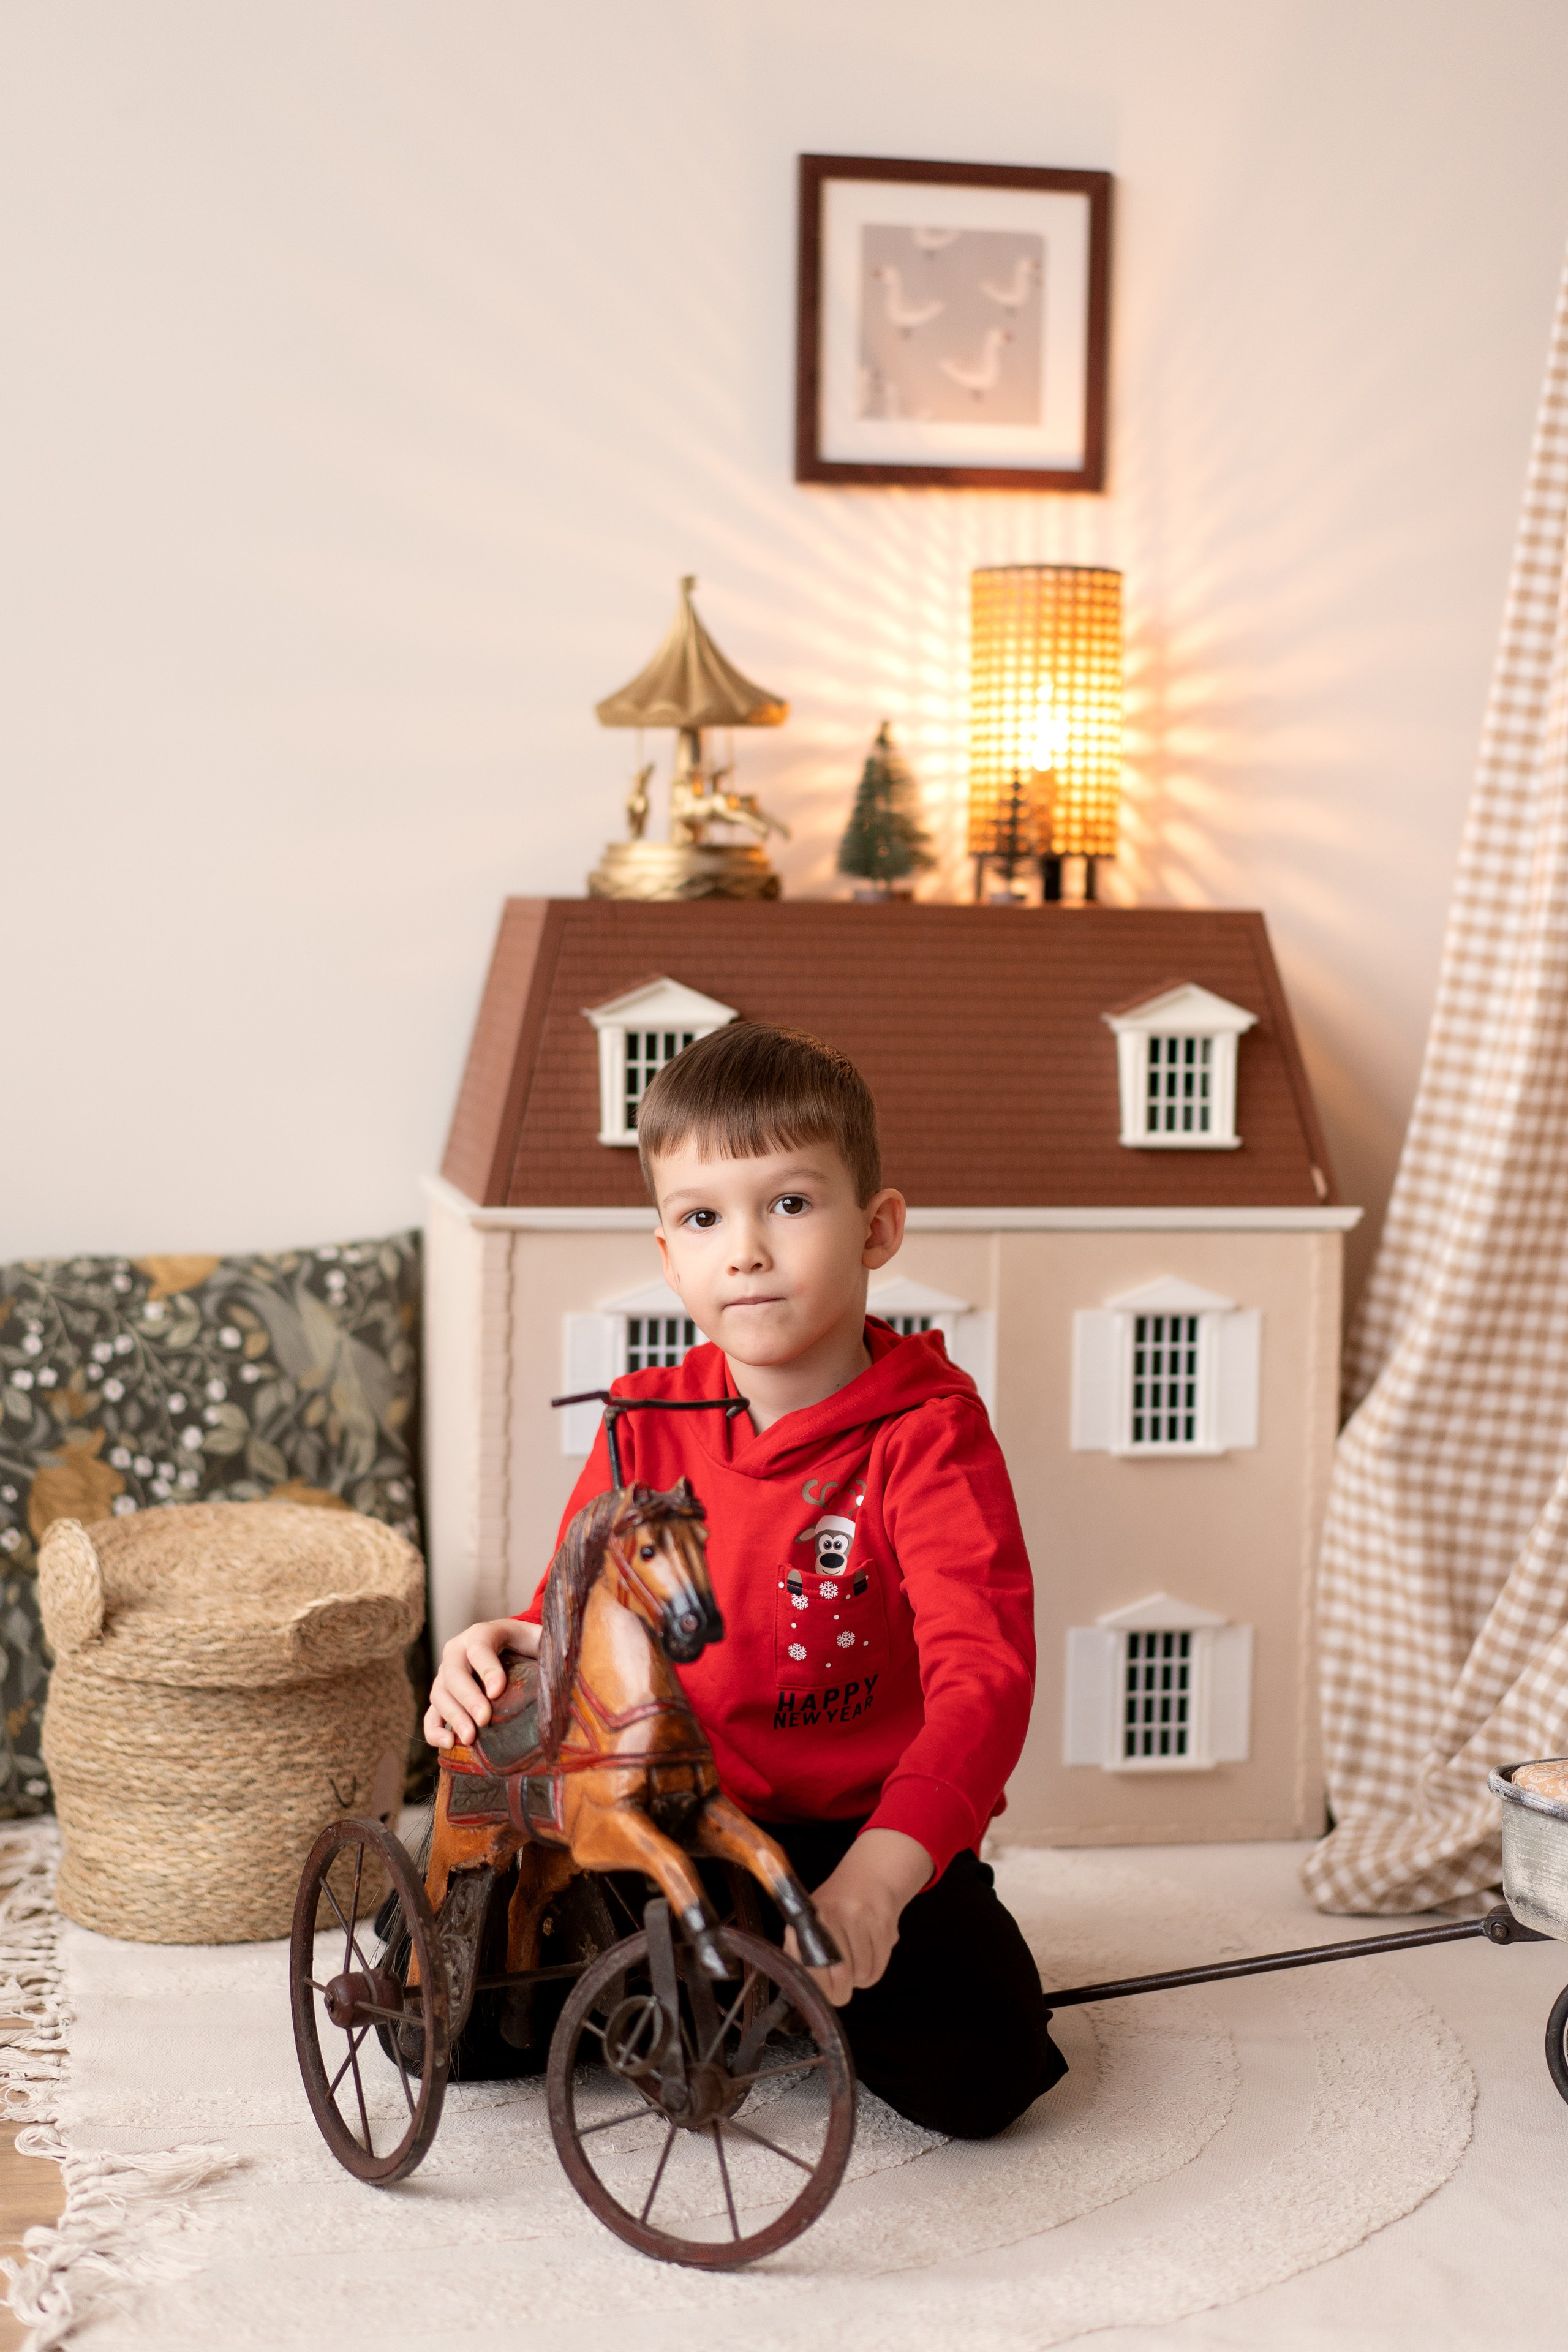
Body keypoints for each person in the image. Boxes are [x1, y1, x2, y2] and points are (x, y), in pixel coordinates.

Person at [426, 1021, 1065, 2138]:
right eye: (704, 1217)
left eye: (792, 1204)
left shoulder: (930, 1439)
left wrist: (882, 1876)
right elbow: (571, 1614)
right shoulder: (643, 1419)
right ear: (669, 1253)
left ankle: (843, 1934)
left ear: (879, 1229)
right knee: (476, 2029)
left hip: (859, 1825)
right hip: (662, 1804)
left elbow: (984, 1681)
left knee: (987, 2075)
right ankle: (716, 1965)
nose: (748, 1251)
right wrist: (494, 1644)